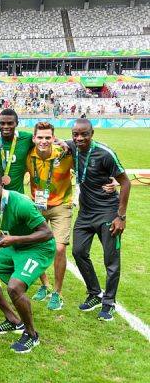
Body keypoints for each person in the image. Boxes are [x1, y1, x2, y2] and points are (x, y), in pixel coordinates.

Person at [0, 168, 56, 353]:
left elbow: (47, 233)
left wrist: (15, 239)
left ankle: (31, 335)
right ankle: (13, 320)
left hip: (38, 248)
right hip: (13, 246)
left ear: (2, 184)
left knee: (15, 287)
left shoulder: (21, 203)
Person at [69, 118, 130, 321]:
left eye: (83, 134)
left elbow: (126, 182)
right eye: (75, 134)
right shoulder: (72, 148)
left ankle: (109, 302)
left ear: (92, 133)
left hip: (107, 213)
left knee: (110, 260)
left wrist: (120, 216)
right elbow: (54, 142)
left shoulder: (105, 153)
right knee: (78, 252)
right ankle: (94, 293)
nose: (79, 138)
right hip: (85, 213)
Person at [24, 122, 74, 311]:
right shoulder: (28, 155)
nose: (44, 141)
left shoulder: (65, 153)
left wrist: (109, 181)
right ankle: (44, 285)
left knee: (59, 249)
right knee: (36, 245)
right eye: (40, 137)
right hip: (37, 205)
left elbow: (87, 153)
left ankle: (57, 293)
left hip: (61, 205)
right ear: (34, 138)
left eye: (48, 137)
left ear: (53, 138)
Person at [0, 109, 34, 194]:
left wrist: (60, 142)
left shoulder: (27, 138)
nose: (6, 126)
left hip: (17, 195)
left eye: (10, 123)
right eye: (2, 123)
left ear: (17, 123)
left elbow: (44, 140)